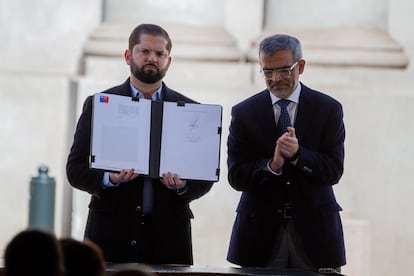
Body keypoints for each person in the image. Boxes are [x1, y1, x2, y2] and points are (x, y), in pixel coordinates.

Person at [66, 23, 213, 265]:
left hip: (168, 239)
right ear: (128, 56)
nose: (152, 58)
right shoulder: (100, 105)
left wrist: (182, 186)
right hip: (111, 236)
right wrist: (109, 179)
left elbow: (205, 178)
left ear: (169, 61)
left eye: (159, 54)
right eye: (144, 51)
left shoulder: (191, 112)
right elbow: (75, 171)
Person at [226, 34, 346, 274]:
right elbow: (236, 176)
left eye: (283, 70)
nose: (275, 78)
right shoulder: (244, 113)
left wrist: (299, 154)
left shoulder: (328, 109)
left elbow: (334, 170)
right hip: (259, 234)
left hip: (316, 234)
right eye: (267, 71)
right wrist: (272, 164)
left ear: (300, 66)